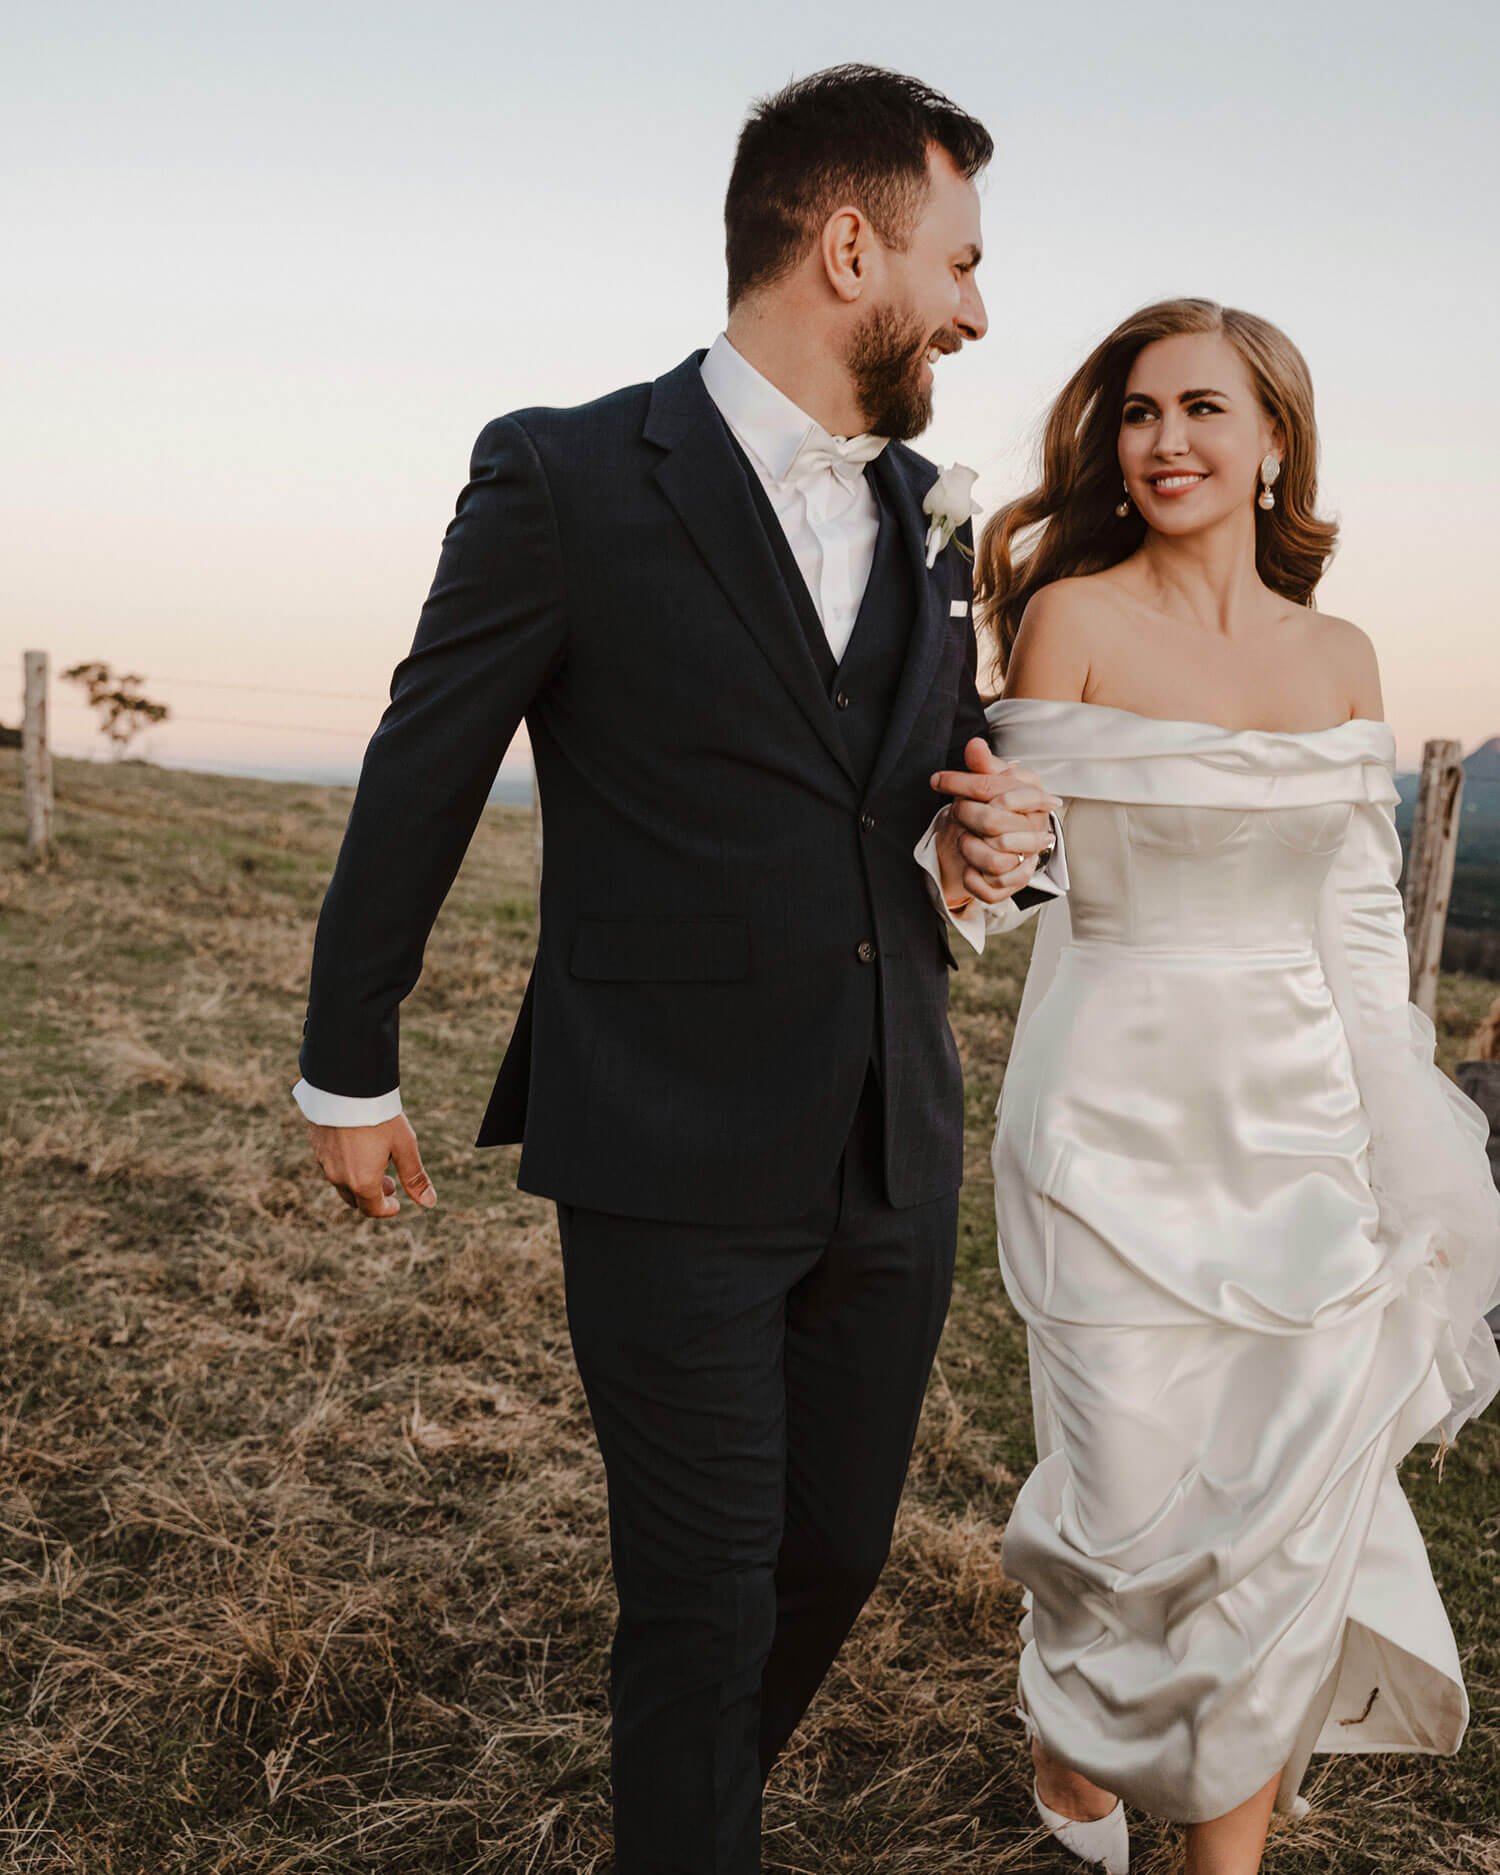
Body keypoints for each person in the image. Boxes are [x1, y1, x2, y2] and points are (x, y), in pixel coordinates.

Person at [292, 65, 1063, 1875]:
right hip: (665, 1147)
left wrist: (993, 856)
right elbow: (424, 765)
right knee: (702, 1601)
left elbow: (917, 796)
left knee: (835, 1559)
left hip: (892, 1140)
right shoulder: (565, 474)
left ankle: (683, 1784)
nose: (976, 310)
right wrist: (350, 1061)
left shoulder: (932, 518)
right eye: (960, 260)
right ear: (850, 246)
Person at [927, 297, 1500, 1875]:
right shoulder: (1074, 617)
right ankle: (1075, 1749)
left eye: (1201, 409)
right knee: (1122, 1518)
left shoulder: (1342, 655)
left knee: (1282, 1517)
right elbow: (1011, 875)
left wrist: (1404, 1140)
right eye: (1138, 412)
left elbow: (1360, 917)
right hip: (1105, 1123)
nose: (1164, 440)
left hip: (1304, 1132)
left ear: (1272, 444)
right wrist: (978, 853)